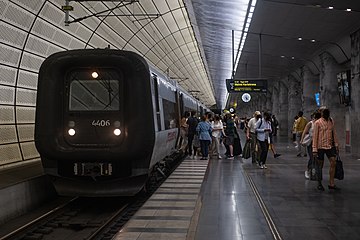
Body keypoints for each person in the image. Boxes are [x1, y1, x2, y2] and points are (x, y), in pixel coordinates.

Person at [312, 108, 340, 191]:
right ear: (321, 113)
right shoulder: (317, 123)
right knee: (320, 165)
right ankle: (319, 183)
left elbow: (334, 133)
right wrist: (314, 149)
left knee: (333, 162)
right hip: (320, 147)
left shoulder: (331, 121)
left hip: (330, 146)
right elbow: (315, 136)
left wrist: (336, 144)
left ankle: (331, 183)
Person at [301, 110, 321, 179]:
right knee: (312, 157)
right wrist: (302, 140)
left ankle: (315, 172)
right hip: (311, 142)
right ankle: (308, 170)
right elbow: (305, 131)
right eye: (314, 117)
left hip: (318, 142)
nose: (315, 119)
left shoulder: (320, 123)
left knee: (317, 158)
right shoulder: (310, 123)